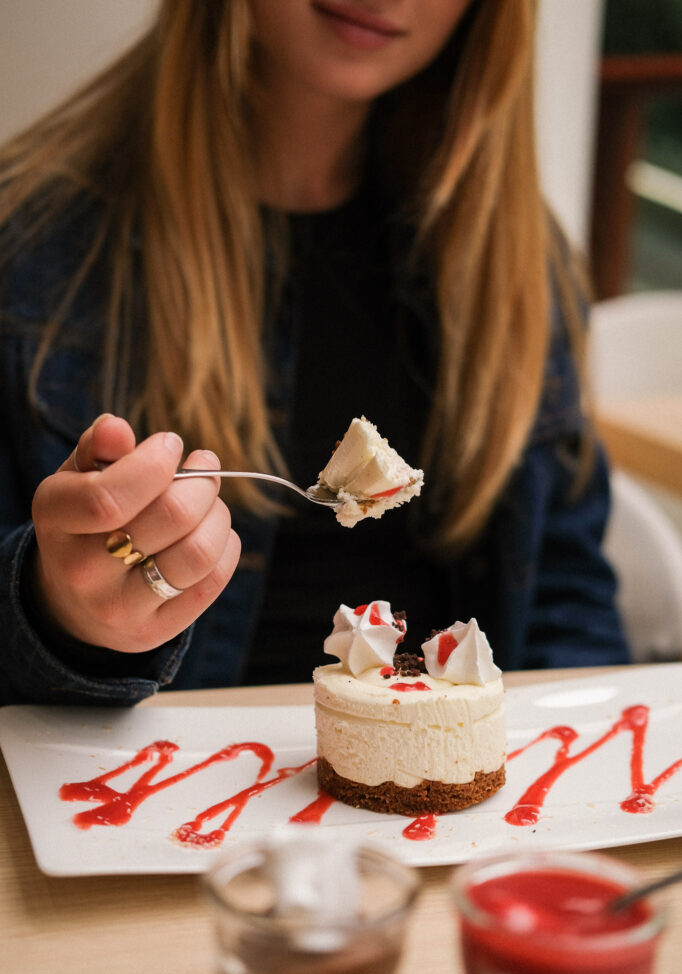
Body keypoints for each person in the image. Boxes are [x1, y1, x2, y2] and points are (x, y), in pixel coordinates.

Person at [0, 0, 629, 706]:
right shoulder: (26, 251)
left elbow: (564, 601)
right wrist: (55, 616)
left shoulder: (515, 261)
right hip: (154, 793)